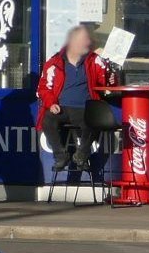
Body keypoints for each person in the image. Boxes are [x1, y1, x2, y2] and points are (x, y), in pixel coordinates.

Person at [36, 24, 117, 175]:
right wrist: (51, 103)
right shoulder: (54, 62)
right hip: (61, 108)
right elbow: (43, 88)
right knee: (47, 120)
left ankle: (81, 156)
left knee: (94, 121)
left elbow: (106, 83)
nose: (87, 43)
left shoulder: (95, 61)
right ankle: (61, 156)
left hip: (85, 108)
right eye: (83, 40)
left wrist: (112, 80)